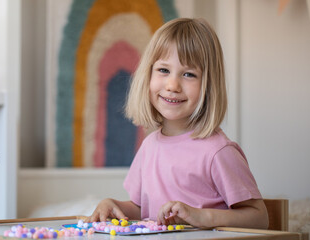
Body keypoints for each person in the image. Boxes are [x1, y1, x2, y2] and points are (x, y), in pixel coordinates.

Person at [86, 18, 269, 229]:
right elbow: (142, 210)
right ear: (148, 74)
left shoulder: (218, 152)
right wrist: (113, 205)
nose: (173, 85)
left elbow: (259, 218)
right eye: (163, 70)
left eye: (189, 74)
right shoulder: (149, 146)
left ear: (209, 86)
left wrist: (203, 218)